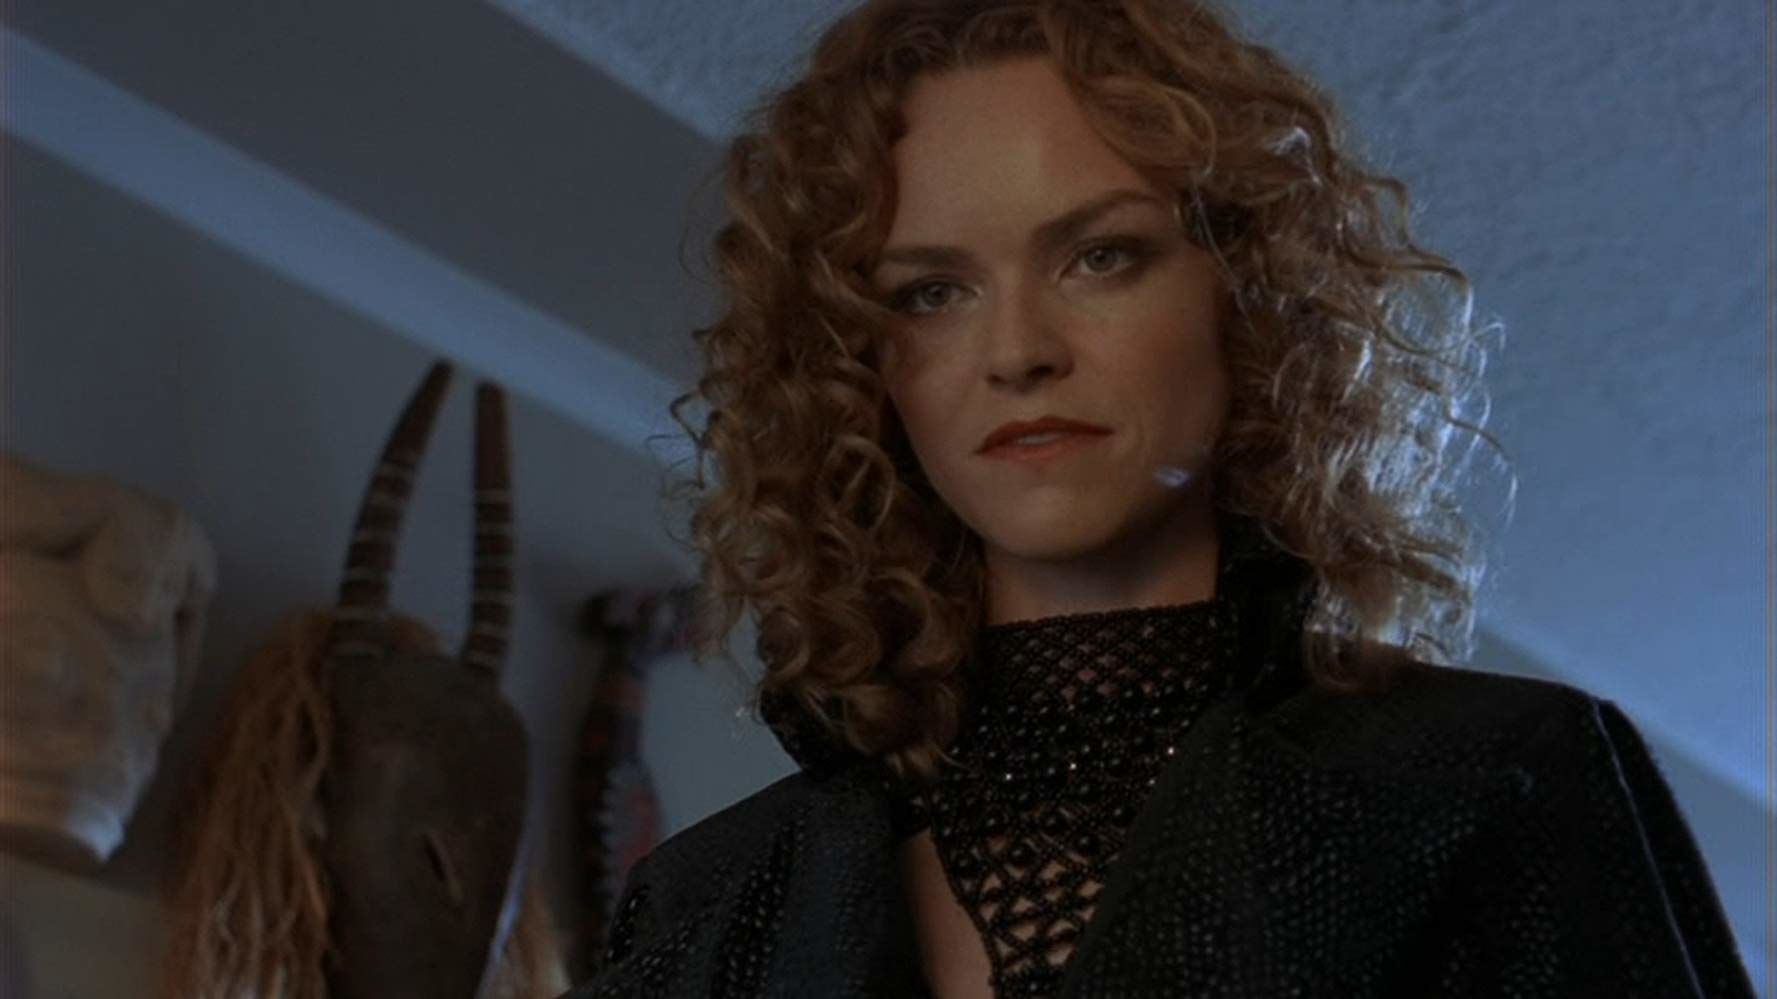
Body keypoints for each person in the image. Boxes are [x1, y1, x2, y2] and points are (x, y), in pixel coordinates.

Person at [564, 1, 1755, 996]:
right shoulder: (704, 906)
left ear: (1249, 295)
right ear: (859, 368)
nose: (1017, 351)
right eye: (930, 292)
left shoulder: (1486, 783)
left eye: (1101, 256)